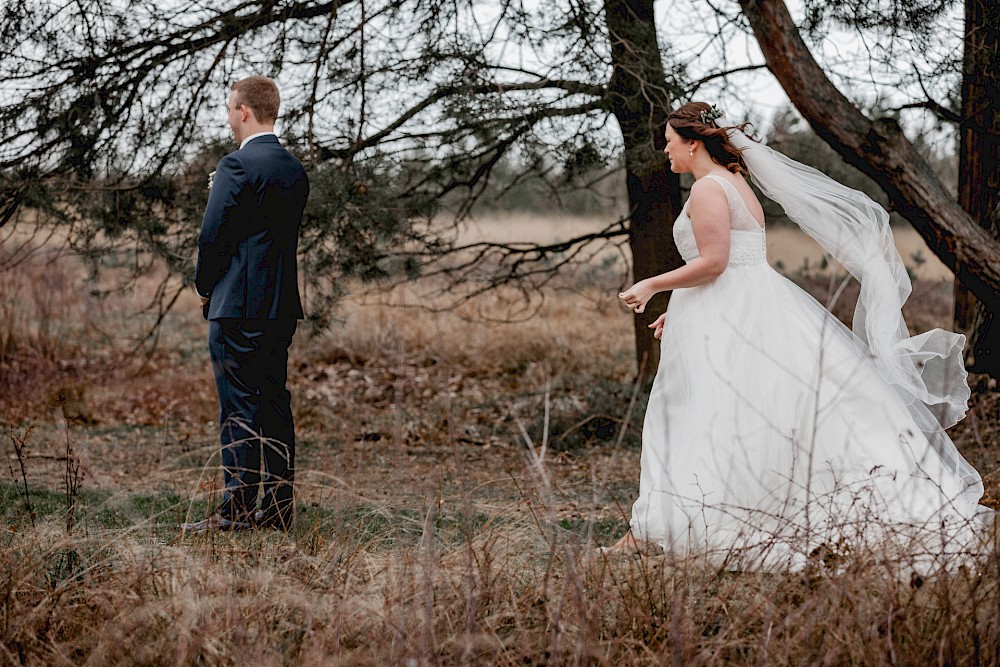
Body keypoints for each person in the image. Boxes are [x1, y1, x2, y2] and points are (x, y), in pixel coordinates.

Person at [607, 101, 992, 569]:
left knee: (694, 413)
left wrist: (654, 284)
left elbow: (715, 262)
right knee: (722, 414)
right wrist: (682, 309)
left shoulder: (708, 188)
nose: (666, 151)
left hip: (732, 313)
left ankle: (673, 523)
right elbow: (733, 267)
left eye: (669, 142)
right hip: (740, 306)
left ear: (692, 142)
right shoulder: (735, 184)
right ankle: (657, 523)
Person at [182, 76, 310, 532]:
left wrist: (204, 286)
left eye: (230, 108)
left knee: (238, 406)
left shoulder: (235, 167)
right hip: (279, 308)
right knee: (274, 403)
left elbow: (214, 235)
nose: (228, 116)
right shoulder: (294, 169)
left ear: (243, 111)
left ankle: (235, 510)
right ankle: (276, 511)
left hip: (236, 306)